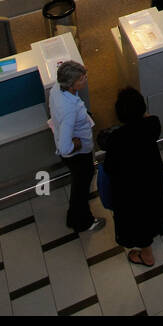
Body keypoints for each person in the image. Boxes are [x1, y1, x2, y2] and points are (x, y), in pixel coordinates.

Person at [100, 86, 163, 267]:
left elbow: (110, 166)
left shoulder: (116, 139)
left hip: (130, 188)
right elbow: (149, 119)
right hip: (152, 178)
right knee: (159, 202)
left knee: (139, 220)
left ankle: (147, 256)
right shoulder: (152, 125)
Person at [48, 60, 104, 234]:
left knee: (79, 184)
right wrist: (76, 144)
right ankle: (82, 221)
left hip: (71, 144)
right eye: (82, 78)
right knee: (81, 187)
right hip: (78, 156)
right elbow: (65, 148)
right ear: (72, 84)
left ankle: (74, 217)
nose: (85, 79)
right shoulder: (69, 110)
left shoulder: (56, 89)